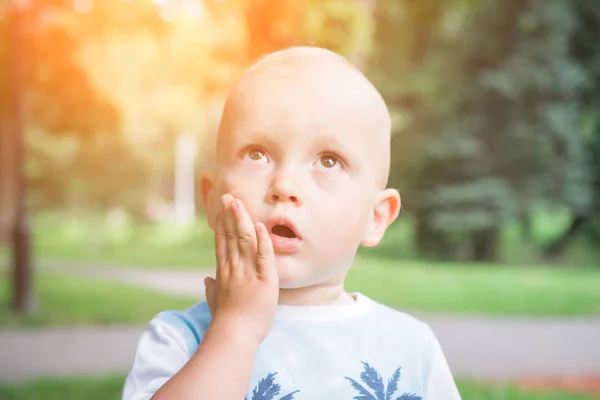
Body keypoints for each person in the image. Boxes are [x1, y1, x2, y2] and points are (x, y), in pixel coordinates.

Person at [121, 46, 462, 400]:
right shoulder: (179, 340)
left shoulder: (411, 348)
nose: (284, 186)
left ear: (375, 218)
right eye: (257, 154)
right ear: (211, 199)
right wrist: (236, 329)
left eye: (329, 161)